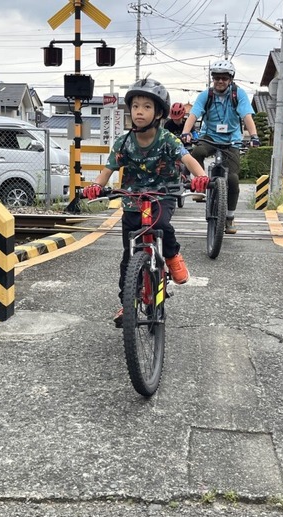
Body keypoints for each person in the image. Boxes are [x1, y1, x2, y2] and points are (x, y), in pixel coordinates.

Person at [82, 78, 209, 327]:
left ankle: (171, 255)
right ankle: (127, 303)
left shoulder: (168, 140)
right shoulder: (123, 142)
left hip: (164, 194)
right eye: (135, 106)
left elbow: (189, 159)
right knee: (129, 257)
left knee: (161, 224)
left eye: (147, 107)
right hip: (132, 200)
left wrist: (201, 177)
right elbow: (107, 171)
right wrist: (96, 185)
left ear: (159, 113)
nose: (139, 111)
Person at [180, 59, 260, 234]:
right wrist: (186, 132)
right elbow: (193, 115)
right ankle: (200, 183)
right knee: (197, 152)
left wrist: (254, 136)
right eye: (216, 78)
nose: (220, 81)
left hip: (231, 139)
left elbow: (247, 116)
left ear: (230, 79)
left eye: (224, 78)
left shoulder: (238, 95)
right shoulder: (205, 95)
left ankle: (229, 218)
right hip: (209, 136)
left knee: (232, 179)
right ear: (213, 79)